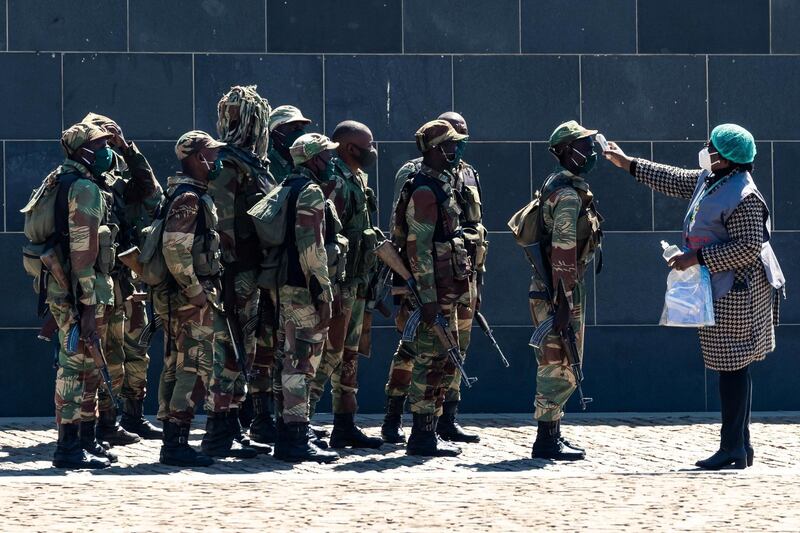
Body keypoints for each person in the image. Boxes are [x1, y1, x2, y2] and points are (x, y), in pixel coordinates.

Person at [604, 124, 785, 470]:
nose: (706, 149)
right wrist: (628, 163)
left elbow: (748, 248)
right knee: (733, 368)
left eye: (711, 146)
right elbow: (674, 179)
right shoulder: (711, 179)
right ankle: (740, 446)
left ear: (728, 158)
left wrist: (696, 258)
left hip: (738, 292)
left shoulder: (744, 196)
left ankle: (733, 446)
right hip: (721, 286)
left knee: (732, 368)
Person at [381, 112, 484, 444]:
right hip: (431, 289)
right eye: (453, 143)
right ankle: (417, 432)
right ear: (437, 148)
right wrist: (423, 297)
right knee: (424, 356)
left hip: (453, 282)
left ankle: (435, 425)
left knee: (444, 355)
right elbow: (416, 247)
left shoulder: (449, 180)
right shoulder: (423, 186)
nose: (458, 149)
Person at [81, 112, 164, 444]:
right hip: (105, 281)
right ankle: (109, 420)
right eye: (100, 140)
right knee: (110, 352)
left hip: (129, 277)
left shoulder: (116, 182)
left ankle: (134, 415)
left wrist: (127, 149)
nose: (106, 147)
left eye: (109, 140)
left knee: (137, 350)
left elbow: (151, 192)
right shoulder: (83, 184)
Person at [202, 85, 273, 457]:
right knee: (231, 351)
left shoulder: (251, 163)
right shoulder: (229, 164)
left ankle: (232, 428)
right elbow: (222, 227)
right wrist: (227, 279)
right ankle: (217, 433)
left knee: (244, 350)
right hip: (237, 273)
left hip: (254, 270)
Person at [527, 120, 603, 461]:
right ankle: (545, 441)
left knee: (561, 361)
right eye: (584, 146)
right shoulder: (568, 194)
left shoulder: (559, 185)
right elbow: (562, 250)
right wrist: (563, 300)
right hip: (558, 290)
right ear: (566, 151)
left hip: (559, 288)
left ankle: (554, 432)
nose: (590, 152)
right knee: (555, 362)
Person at [153, 131, 227, 467]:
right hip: (188, 298)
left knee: (177, 364)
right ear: (197, 158)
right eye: (212, 155)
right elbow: (174, 248)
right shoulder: (188, 198)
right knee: (193, 366)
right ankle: (177, 442)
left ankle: (172, 439)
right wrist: (196, 291)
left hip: (181, 296)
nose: (217, 162)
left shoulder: (186, 194)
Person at [308, 120, 383, 449]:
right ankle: (302, 421)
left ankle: (344, 423)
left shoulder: (357, 177)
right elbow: (326, 236)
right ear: (349, 147)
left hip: (358, 280)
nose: (372, 150)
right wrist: (332, 287)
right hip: (340, 283)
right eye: (367, 144)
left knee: (349, 354)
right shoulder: (334, 179)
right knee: (329, 353)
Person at [271, 133, 340, 463]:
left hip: (285, 285)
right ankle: (296, 439)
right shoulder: (310, 191)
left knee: (291, 359)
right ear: (314, 159)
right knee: (301, 362)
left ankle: (289, 434)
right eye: (328, 156)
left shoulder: (287, 185)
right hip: (303, 288)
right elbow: (311, 246)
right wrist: (323, 291)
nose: (332, 162)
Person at [268, 105, 312, 183]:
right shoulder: (267, 165)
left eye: (301, 128)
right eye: (294, 128)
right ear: (274, 131)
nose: (300, 133)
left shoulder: (308, 162)